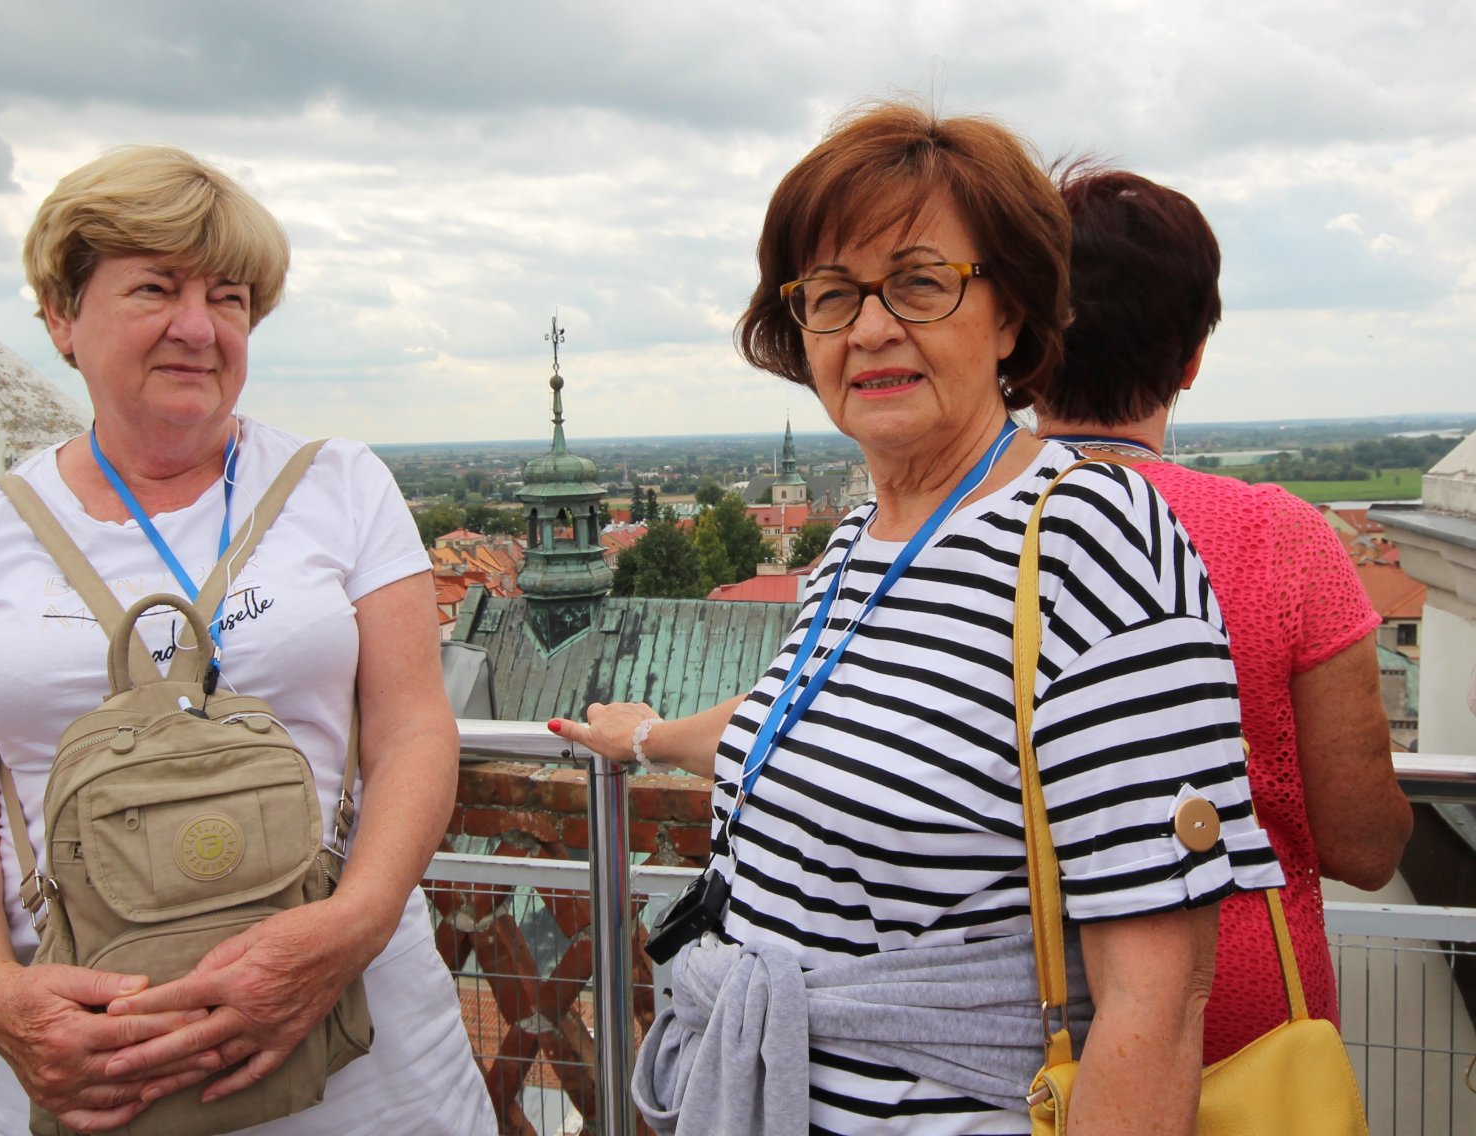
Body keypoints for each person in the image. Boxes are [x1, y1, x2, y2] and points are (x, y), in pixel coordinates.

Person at [550, 102, 1285, 1135]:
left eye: (921, 282)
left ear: (1012, 315)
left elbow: (1155, 1007)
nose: (870, 328)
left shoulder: (1092, 539)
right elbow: (827, 732)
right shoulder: (859, 538)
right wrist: (647, 737)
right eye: (832, 294)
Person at [0, 145, 496, 1136]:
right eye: (156, 288)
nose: (199, 327)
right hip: (81, 1068)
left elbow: (413, 729)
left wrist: (349, 927)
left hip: (364, 1068)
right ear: (61, 317)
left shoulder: (340, 483)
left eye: (229, 297)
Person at [1031, 165, 1412, 1064]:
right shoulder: (1280, 537)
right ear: (1192, 358)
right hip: (1248, 1038)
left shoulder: (959, 534)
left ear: (1023, 344)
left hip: (1023, 1037)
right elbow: (1366, 846)